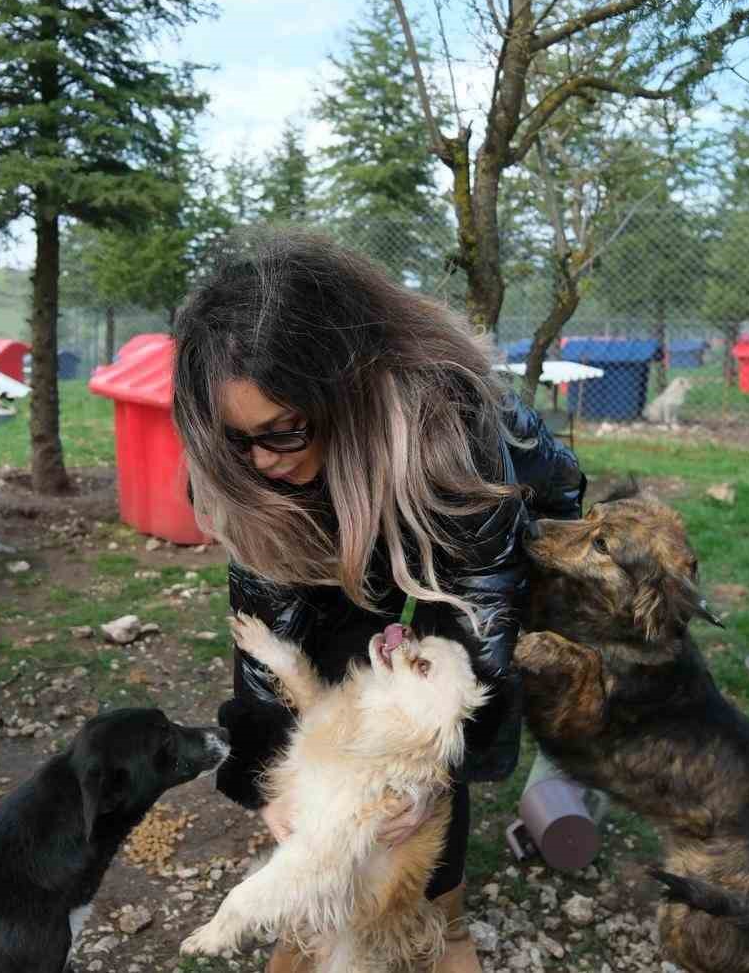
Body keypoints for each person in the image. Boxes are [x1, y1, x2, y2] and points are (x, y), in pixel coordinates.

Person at [171, 228, 585, 973]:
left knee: (423, 765)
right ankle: (317, 916)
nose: (263, 460)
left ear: (344, 385)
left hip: (481, 528)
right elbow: (271, 618)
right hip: (360, 507)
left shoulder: (449, 424)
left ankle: (446, 918)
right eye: (241, 443)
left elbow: (479, 627)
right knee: (341, 713)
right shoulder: (258, 466)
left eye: (282, 431)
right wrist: (284, 780)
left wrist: (432, 780)